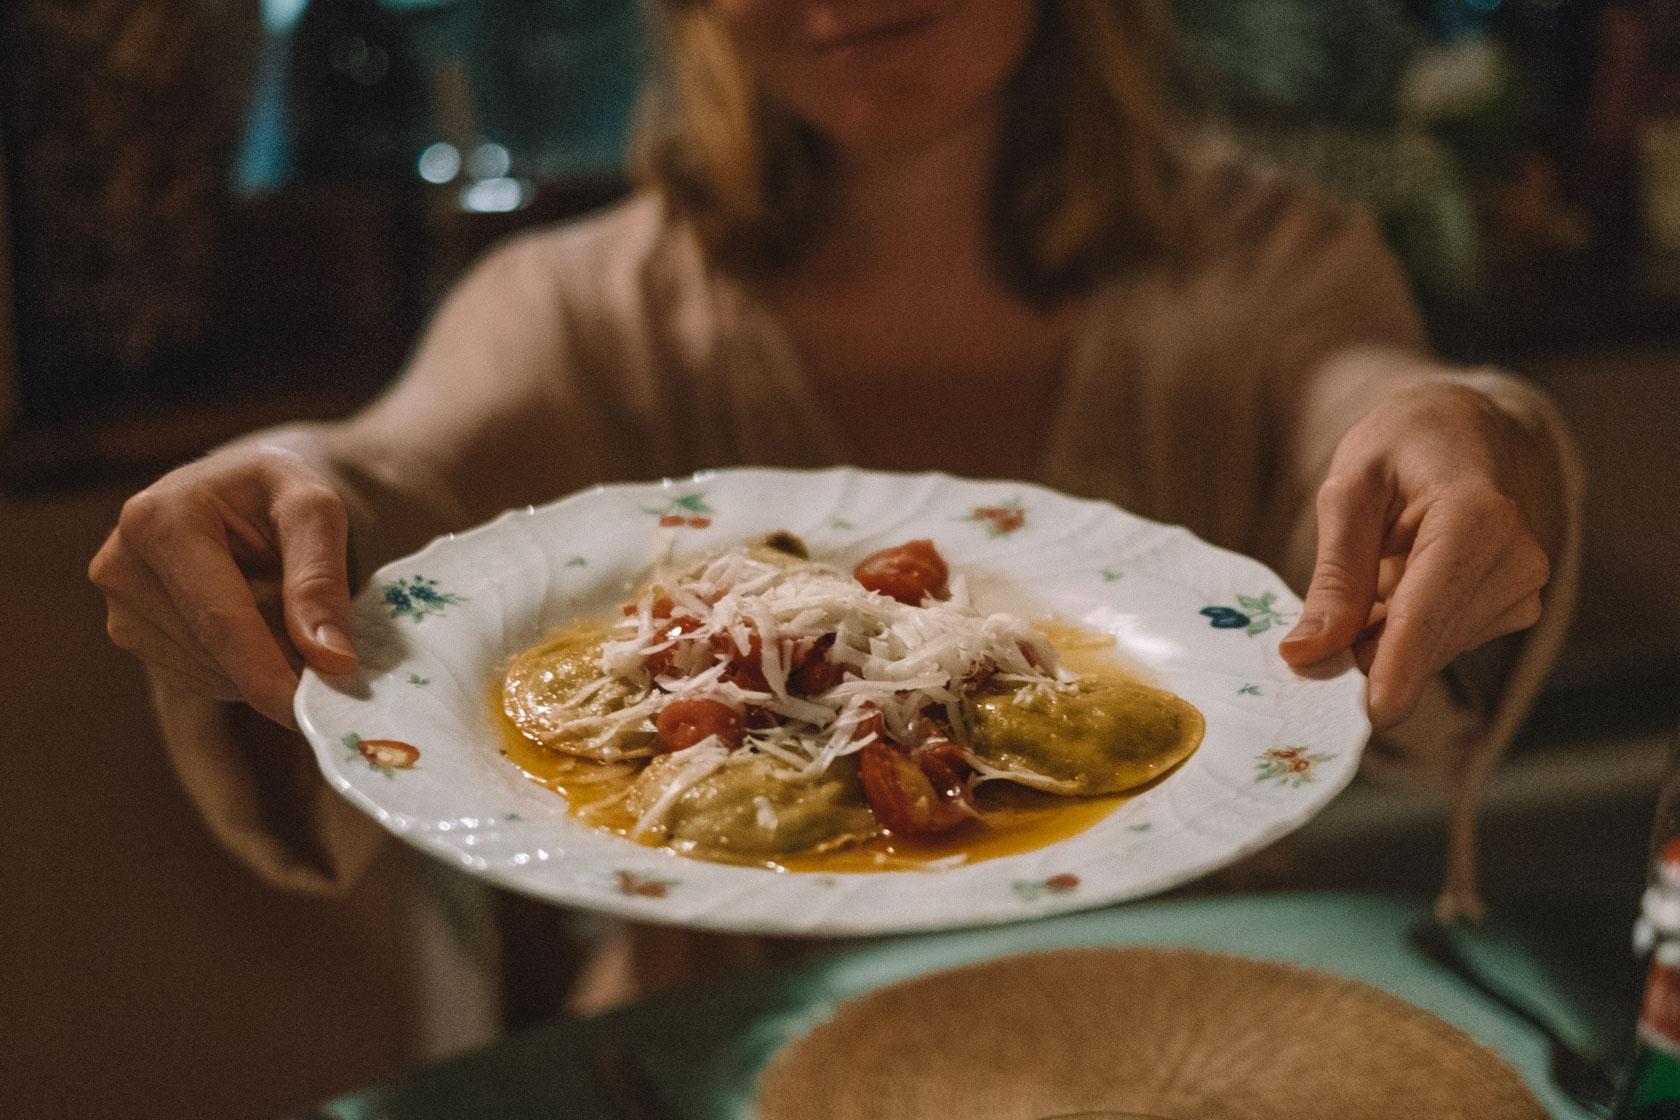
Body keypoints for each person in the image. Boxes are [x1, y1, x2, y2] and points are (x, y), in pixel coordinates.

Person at [90, 0, 1579, 1006]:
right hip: (712, 1060)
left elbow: (1371, 393)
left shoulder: (1272, 266)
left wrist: (1462, 427)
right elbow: (398, 469)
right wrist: (288, 484)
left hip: (1179, 1023)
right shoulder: (577, 306)